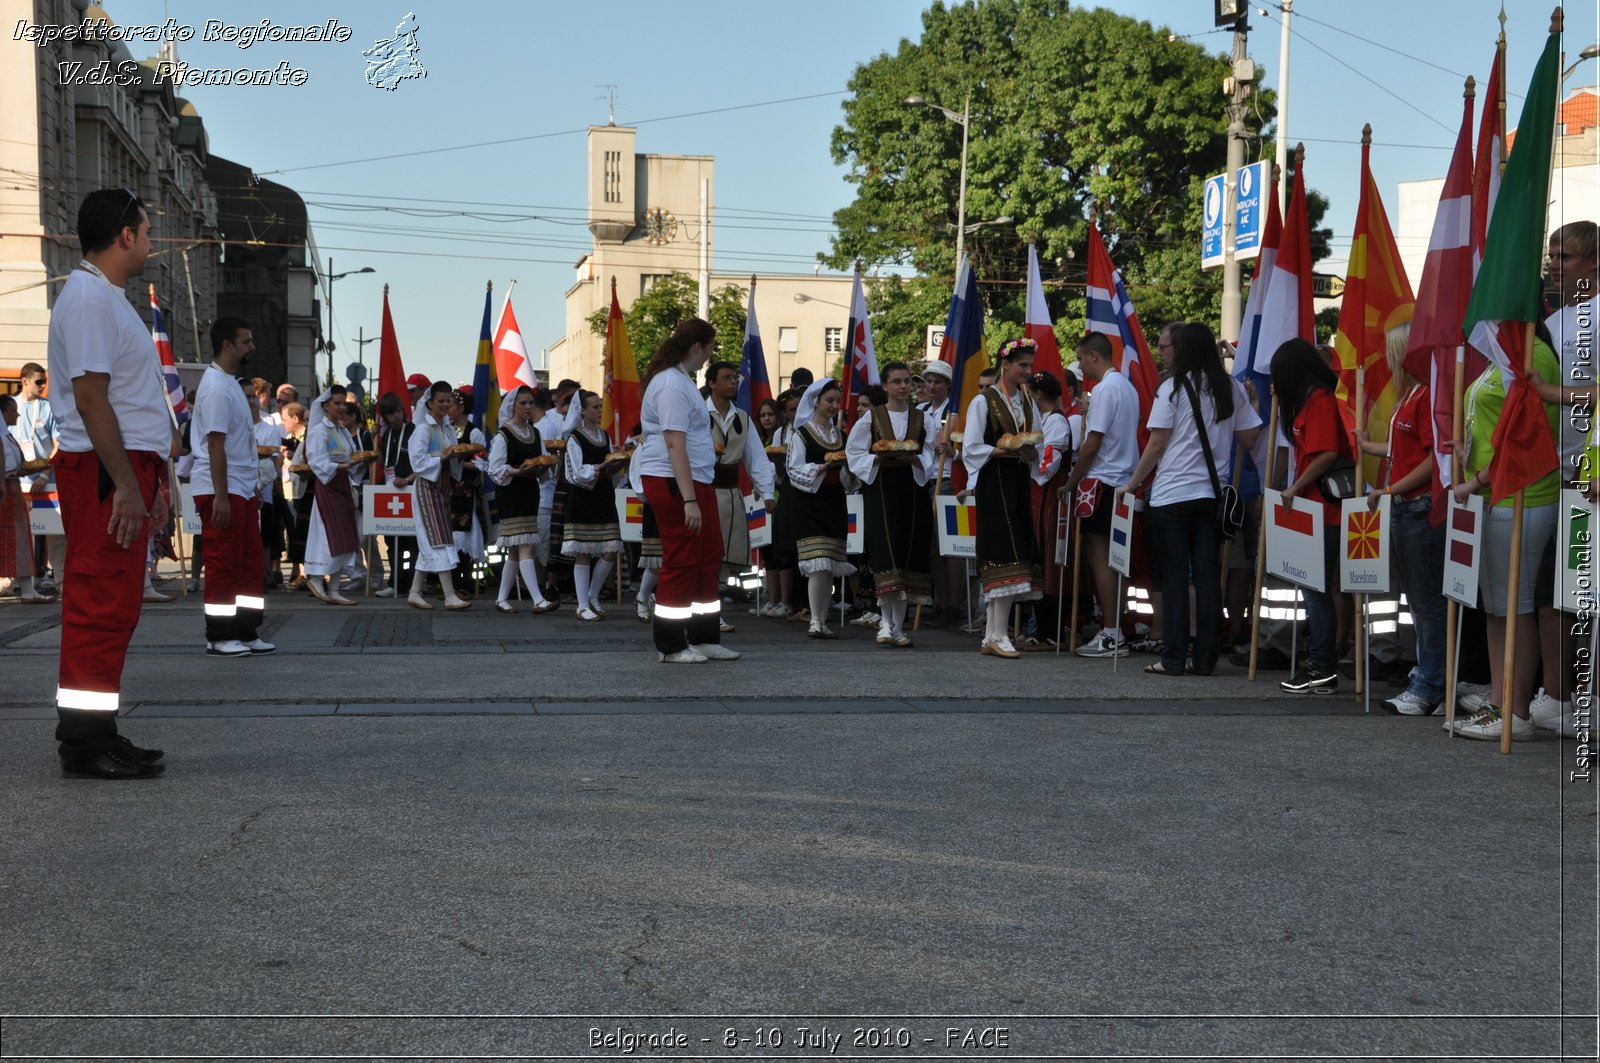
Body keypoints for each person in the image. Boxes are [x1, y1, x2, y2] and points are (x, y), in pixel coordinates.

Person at [46, 188, 173, 779]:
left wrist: (155, 482)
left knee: (114, 604)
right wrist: (126, 484)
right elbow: (93, 400)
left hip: (122, 467)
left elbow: (131, 401)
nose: (151, 240)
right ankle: (85, 743)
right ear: (125, 234)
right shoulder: (92, 301)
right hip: (105, 469)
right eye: (146, 230)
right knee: (99, 603)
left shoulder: (108, 299)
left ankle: (97, 732)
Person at [1114, 322, 1261, 677]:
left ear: (1183, 350)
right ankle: (1207, 659)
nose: (1163, 354)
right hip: (1211, 496)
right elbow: (1249, 439)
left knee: (1176, 577)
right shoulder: (1230, 389)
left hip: (1171, 496)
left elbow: (1157, 444)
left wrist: (1131, 485)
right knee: (1208, 577)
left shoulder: (1172, 389)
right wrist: (1253, 401)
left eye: (1167, 347)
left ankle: (1174, 657)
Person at [1445, 325, 1563, 740]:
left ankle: (1517, 714)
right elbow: (1493, 427)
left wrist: (1474, 481)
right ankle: (1501, 703)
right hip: (1493, 497)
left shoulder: (1534, 355)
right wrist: (1467, 453)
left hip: (1521, 496)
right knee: (1498, 607)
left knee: (1517, 604)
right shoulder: (1502, 353)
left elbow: (1523, 439)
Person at [1354, 322, 1447, 714]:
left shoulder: (1424, 396)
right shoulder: (1411, 394)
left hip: (1417, 506)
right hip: (1405, 506)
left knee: (1426, 603)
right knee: (1418, 600)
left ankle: (1431, 684)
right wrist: (1368, 445)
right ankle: (1430, 676)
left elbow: (1433, 459)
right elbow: (1403, 447)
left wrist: (1389, 490)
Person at [634, 318, 738, 662]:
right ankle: (671, 645)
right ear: (698, 347)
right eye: (709, 349)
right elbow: (674, 444)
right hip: (675, 482)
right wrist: (690, 499)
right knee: (681, 560)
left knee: (708, 557)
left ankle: (704, 636)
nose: (709, 356)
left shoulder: (680, 380)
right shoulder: (671, 385)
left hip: (695, 481)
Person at [1271, 338, 1354, 695]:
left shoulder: (1319, 400)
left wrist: (1294, 487)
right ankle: (1321, 664)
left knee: (1315, 590)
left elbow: (1326, 453)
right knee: (1312, 588)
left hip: (1324, 508)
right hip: (1311, 506)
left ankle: (1323, 667)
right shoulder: (1307, 401)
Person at [190, 317, 274, 657]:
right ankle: (220, 634)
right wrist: (221, 496)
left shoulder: (230, 384)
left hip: (239, 487)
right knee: (224, 563)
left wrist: (249, 487)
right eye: (246, 341)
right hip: (219, 489)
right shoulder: (215, 387)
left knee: (248, 562)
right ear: (228, 344)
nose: (252, 347)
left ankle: (246, 630)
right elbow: (215, 446)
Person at [961, 339, 1044, 657]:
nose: (1028, 370)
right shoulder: (984, 401)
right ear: (1005, 365)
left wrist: (1030, 450)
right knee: (1001, 551)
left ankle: (993, 634)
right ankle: (996, 633)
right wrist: (1004, 449)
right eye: (1023, 365)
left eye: (1030, 365)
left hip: (1017, 479)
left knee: (1016, 550)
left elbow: (1036, 435)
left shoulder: (1026, 401)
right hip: (993, 481)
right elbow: (970, 447)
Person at [1060, 333, 1140, 658]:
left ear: (1093, 356)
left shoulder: (1106, 389)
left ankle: (1111, 633)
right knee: (1114, 560)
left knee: (1102, 558)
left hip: (1103, 482)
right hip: (1120, 481)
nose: (1079, 365)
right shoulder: (1126, 387)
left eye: (1080, 359)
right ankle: (1116, 628)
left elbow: (1092, 444)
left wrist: (1071, 482)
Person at [846, 361, 934, 648]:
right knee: (886, 553)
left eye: (907, 381)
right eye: (896, 381)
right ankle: (885, 621)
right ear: (885, 386)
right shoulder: (871, 419)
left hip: (912, 488)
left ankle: (898, 625)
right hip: (881, 489)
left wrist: (918, 460)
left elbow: (930, 453)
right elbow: (854, 452)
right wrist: (876, 459)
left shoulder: (923, 419)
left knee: (908, 552)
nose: (902, 386)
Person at [705, 360, 775, 627]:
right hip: (705, 491)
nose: (733, 382)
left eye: (734, 378)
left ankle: (714, 612)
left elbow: (756, 458)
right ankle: (701, 610)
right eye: (726, 378)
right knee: (706, 554)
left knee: (725, 557)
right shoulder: (698, 414)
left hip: (732, 495)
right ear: (712, 383)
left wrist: (766, 492)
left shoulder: (743, 419)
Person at [786, 379, 856, 639]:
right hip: (809, 501)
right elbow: (793, 468)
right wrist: (821, 468)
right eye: (829, 400)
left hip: (834, 500)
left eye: (837, 401)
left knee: (829, 564)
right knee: (817, 561)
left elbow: (851, 477)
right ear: (816, 401)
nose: (834, 406)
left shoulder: (842, 436)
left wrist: (847, 467)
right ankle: (815, 620)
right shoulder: (801, 433)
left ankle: (822, 620)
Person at [487, 385, 557, 613]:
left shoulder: (535, 433)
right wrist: (518, 471)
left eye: (530, 403)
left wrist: (542, 468)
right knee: (526, 544)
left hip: (529, 492)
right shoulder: (503, 435)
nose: (528, 407)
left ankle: (501, 599)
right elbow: (494, 469)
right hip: (511, 494)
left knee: (516, 550)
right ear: (513, 406)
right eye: (523, 403)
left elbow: (542, 461)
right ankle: (538, 599)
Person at [1023, 369, 1078, 648]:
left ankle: (1052, 632)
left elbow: (1049, 463)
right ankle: (1040, 629)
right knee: (1041, 559)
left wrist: (1031, 457)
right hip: (1041, 494)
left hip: (1052, 496)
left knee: (1052, 562)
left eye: (1029, 393)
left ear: (1038, 394)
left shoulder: (1056, 421)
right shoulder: (1045, 420)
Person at [561, 389, 626, 621]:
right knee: (584, 551)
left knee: (610, 550)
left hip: (603, 495)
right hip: (583, 498)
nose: (600, 410)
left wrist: (617, 461)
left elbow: (611, 468)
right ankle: (581, 605)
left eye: (600, 406)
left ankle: (592, 595)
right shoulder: (574, 438)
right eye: (596, 407)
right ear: (583, 411)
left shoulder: (604, 435)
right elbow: (576, 473)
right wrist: (601, 467)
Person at [406, 381, 471, 610]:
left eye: (448, 401)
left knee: (432, 538)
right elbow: (418, 462)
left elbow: (453, 457)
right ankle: (449, 594)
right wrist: (443, 458)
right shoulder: (423, 429)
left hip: (442, 485)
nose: (445, 405)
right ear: (430, 403)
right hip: (426, 485)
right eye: (440, 401)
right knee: (439, 538)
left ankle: (414, 592)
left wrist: (460, 456)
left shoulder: (447, 428)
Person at [301, 388, 364, 605]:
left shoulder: (343, 431)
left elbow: (351, 454)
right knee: (328, 535)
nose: (341, 408)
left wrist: (360, 461)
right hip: (328, 487)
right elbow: (316, 460)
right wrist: (342, 465)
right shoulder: (319, 431)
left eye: (343, 404)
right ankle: (317, 578)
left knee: (345, 535)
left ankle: (335, 588)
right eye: (336, 404)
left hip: (343, 485)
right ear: (325, 406)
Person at [9, 361, 64, 594]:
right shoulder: (11, 408)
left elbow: (58, 444)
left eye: (45, 381)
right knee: (21, 535)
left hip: (47, 481)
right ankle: (21, 583)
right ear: (25, 381)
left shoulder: (48, 407)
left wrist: (43, 475)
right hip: (18, 481)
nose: (43, 386)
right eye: (39, 382)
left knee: (56, 533)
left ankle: (62, 581)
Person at [375, 392, 417, 598]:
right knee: (391, 539)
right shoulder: (386, 434)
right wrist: (375, 441)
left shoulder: (414, 432)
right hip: (390, 491)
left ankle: (411, 584)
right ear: (385, 416)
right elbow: (384, 463)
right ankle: (394, 582)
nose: (396, 416)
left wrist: (408, 479)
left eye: (398, 411)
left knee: (411, 542)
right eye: (391, 413)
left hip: (410, 490)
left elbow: (423, 464)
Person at [1, 396, 42, 602]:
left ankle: (28, 590)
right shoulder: (2, 436)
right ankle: (27, 591)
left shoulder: (6, 435)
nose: (17, 414)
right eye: (13, 410)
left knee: (20, 540)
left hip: (11, 488)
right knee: (17, 539)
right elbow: (9, 464)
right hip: (7, 489)